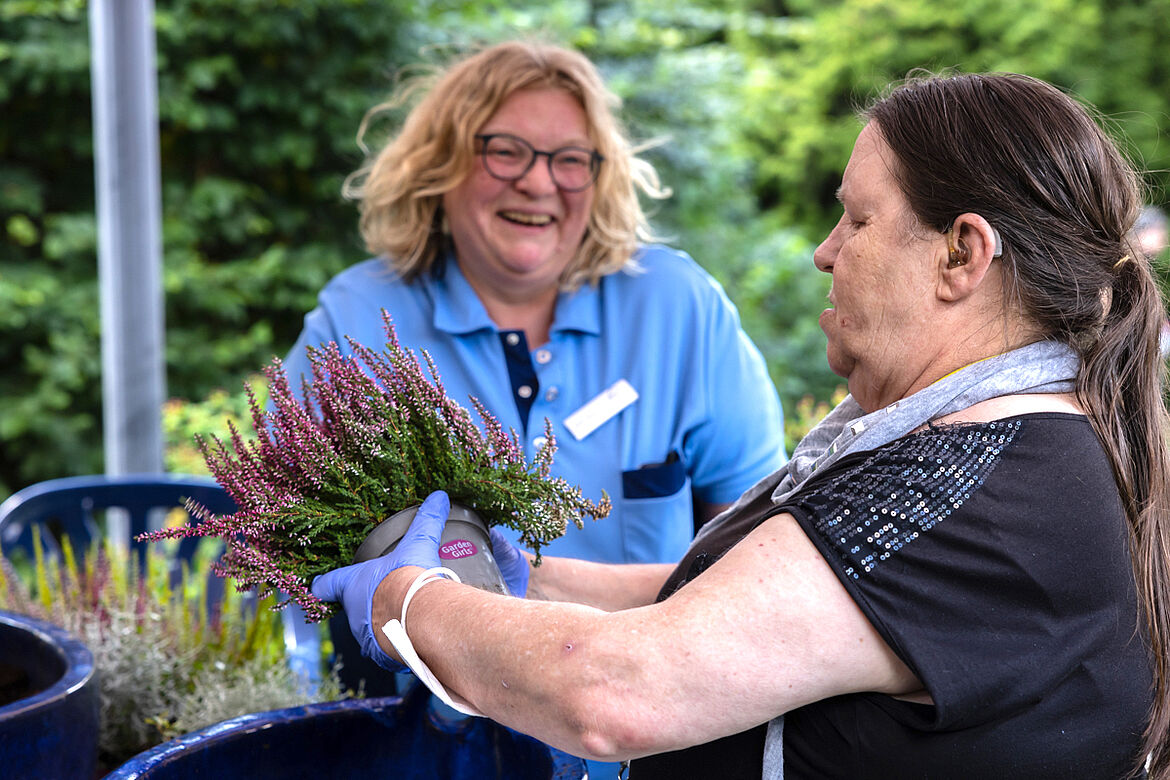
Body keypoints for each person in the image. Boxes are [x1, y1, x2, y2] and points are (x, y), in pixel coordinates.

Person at [312, 71, 1170, 779]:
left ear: (961, 255)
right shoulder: (987, 454)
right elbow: (751, 608)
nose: (825, 252)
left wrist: (406, 599)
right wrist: (527, 580)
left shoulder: (978, 488)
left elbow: (619, 693)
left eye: (858, 218)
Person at [281, 40, 786, 777]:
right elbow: (278, 553)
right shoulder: (357, 320)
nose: (540, 182)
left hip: (645, 745)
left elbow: (759, 545)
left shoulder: (677, 308)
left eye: (569, 159)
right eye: (506, 151)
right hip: (423, 749)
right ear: (442, 164)